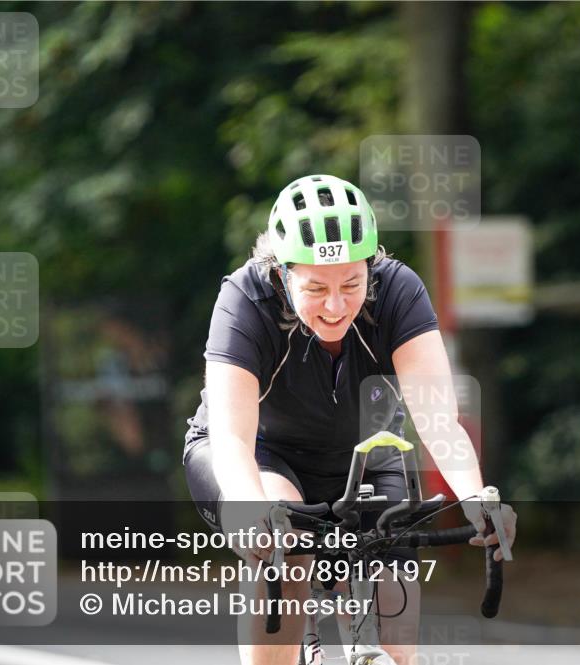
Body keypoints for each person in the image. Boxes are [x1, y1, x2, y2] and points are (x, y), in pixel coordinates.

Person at [183, 174, 516, 665]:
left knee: (396, 645)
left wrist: (476, 500)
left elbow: (439, 422)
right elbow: (234, 439)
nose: (336, 306)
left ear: (371, 265)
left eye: (352, 284)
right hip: (258, 456)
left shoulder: (399, 291)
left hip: (364, 456)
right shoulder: (244, 299)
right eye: (315, 287)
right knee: (283, 537)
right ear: (282, 272)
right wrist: (252, 512)